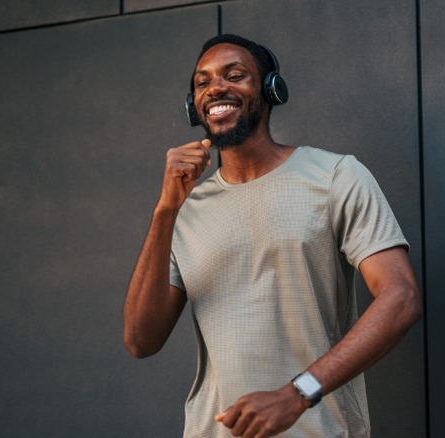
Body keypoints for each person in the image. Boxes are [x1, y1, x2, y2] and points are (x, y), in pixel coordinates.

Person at [123, 33, 422, 438]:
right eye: (203, 81)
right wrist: (165, 210)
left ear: (270, 90)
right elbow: (142, 340)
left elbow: (401, 298)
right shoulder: (185, 210)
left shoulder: (335, 176)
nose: (216, 88)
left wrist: (297, 394)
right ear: (193, 105)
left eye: (235, 75)